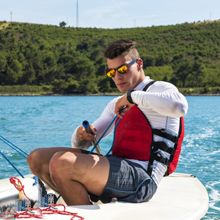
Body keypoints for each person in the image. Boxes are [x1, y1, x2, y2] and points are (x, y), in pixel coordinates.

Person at [27, 39, 188, 206]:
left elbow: (180, 107)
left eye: (123, 69)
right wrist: (80, 135)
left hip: (143, 179)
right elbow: (81, 146)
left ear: (139, 64)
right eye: (111, 73)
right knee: (37, 158)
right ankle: (82, 204)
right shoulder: (116, 103)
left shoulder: (160, 89)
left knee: (61, 163)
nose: (117, 77)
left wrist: (132, 96)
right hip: (115, 168)